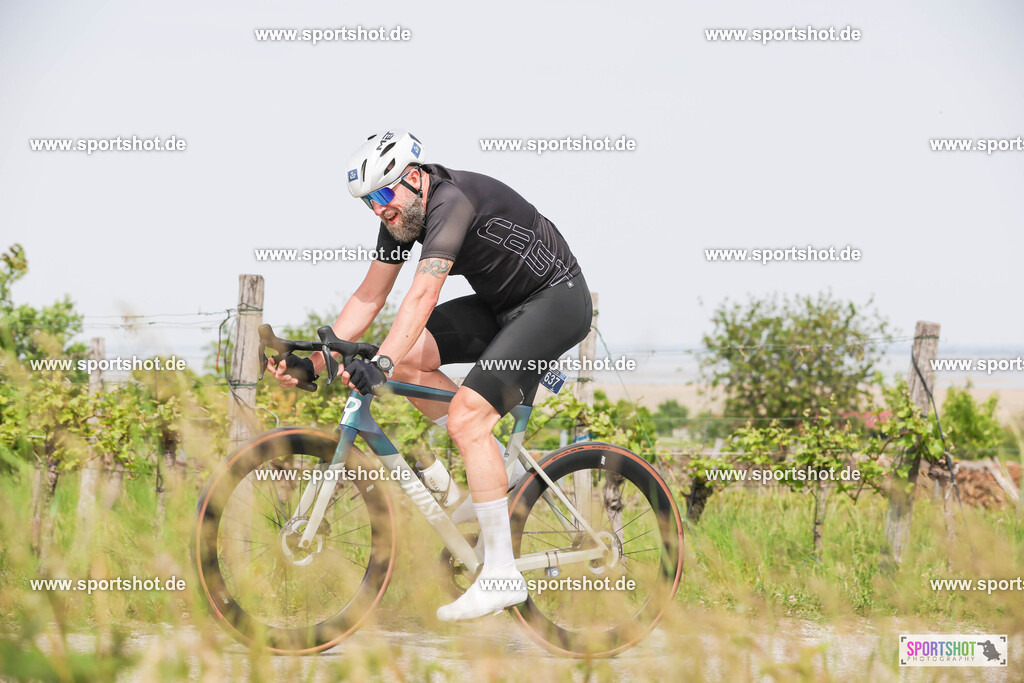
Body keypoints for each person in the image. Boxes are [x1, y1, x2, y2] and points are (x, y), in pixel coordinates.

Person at [268, 129, 592, 621]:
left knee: (465, 417)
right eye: (368, 202)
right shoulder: (401, 218)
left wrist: (379, 365)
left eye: (382, 194)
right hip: (502, 306)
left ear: (413, 178)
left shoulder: (450, 202)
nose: (378, 209)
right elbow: (369, 298)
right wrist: (315, 362)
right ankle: (503, 470)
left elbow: (421, 297)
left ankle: (501, 574)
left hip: (555, 302)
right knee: (412, 356)